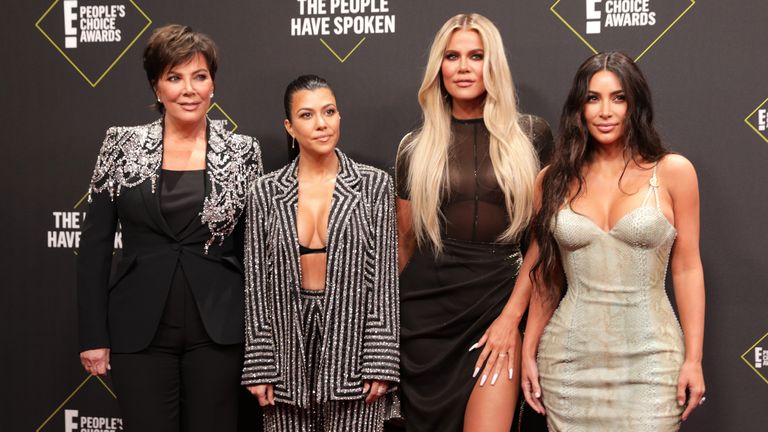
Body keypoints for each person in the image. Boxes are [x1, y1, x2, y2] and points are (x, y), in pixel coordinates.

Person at [77, 24, 263, 431]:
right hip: (138, 328)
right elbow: (94, 246)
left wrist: (262, 342)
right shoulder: (120, 146)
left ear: (213, 84)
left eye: (199, 76)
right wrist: (93, 334)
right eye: (174, 77)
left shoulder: (242, 152)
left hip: (219, 328)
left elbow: (256, 251)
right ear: (156, 87)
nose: (189, 89)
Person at [520, 51, 706, 431]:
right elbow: (546, 278)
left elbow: (687, 269)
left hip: (653, 362)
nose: (605, 110)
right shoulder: (551, 180)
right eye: (593, 98)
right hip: (568, 361)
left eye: (618, 98)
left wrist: (694, 359)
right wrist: (528, 351)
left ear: (635, 105)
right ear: (579, 107)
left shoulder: (673, 172)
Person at [395, 13, 553, 432]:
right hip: (424, 320)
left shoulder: (532, 136)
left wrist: (509, 319)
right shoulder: (414, 148)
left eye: (476, 56)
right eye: (452, 56)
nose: (464, 67)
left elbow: (541, 241)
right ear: (439, 67)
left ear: (493, 64)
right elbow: (404, 243)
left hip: (497, 308)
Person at [241, 75, 399, 432]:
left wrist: (380, 359)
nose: (322, 123)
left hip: (355, 345)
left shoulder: (374, 185)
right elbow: (256, 283)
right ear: (290, 126)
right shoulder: (264, 193)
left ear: (340, 116)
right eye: (307, 115)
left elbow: (385, 280)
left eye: (329, 112)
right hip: (284, 349)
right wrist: (259, 362)